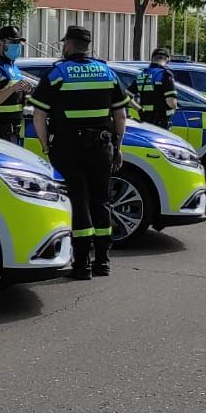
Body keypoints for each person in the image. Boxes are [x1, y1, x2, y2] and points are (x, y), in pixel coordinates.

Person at [28, 26, 131, 281]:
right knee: (101, 201)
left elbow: (38, 115)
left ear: (69, 45)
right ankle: (103, 261)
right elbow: (120, 116)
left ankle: (82, 264)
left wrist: (46, 146)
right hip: (102, 147)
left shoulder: (57, 73)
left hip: (69, 148)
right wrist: (117, 147)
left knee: (79, 201)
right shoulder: (106, 72)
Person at [135, 47, 177, 126]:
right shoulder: (165, 74)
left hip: (145, 120)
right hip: (161, 121)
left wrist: (139, 109)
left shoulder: (143, 74)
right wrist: (175, 107)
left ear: (152, 59)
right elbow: (171, 102)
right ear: (167, 60)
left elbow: (126, 96)